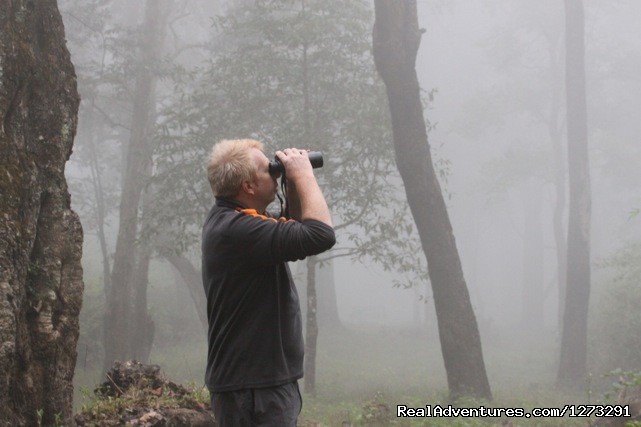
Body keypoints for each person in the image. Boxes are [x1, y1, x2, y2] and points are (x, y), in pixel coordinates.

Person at [202, 139, 335, 426]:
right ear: (249, 186)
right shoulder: (238, 230)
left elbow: (292, 226)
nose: (275, 173)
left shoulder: (233, 222)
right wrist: (304, 175)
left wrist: (291, 184)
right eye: (268, 170)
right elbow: (320, 234)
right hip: (255, 389)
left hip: (253, 383)